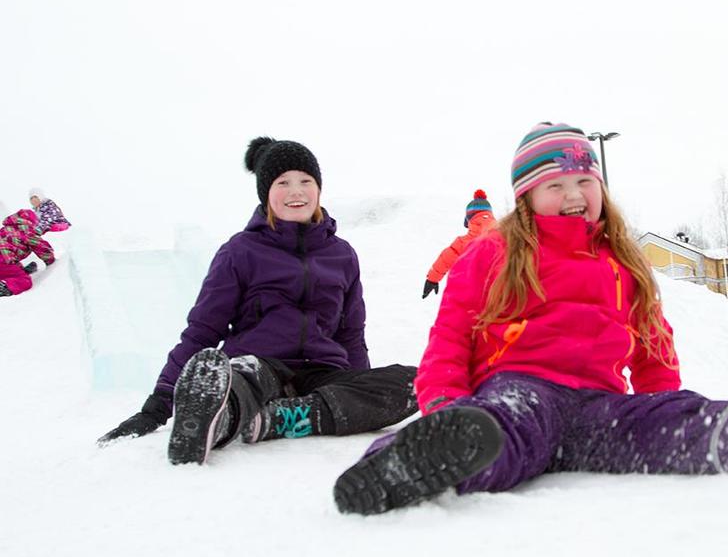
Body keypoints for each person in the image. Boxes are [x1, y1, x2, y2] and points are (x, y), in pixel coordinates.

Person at [333, 122, 728, 515]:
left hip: (599, 407)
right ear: (525, 197)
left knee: (690, 424)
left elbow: (652, 343)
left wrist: (659, 405)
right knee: (498, 434)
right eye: (555, 184)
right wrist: (446, 405)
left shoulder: (622, 259)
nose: (573, 193)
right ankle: (402, 461)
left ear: (599, 186)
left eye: (583, 180)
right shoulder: (495, 251)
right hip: (522, 392)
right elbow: (450, 336)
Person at [97, 137, 418, 465]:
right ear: (266, 194)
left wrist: (358, 391)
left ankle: (277, 420)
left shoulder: (342, 255)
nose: (296, 191)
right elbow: (202, 331)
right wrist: (158, 405)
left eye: (306, 181)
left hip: (322, 375)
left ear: (318, 190)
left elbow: (351, 334)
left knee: (414, 382)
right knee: (233, 379)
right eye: (283, 183)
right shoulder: (241, 251)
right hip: (259, 366)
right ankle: (218, 418)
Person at [422, 189, 497, 298]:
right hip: (502, 296)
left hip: (472, 296)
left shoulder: (463, 243)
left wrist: (432, 280)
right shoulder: (505, 236)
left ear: (469, 220)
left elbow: (445, 259)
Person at [0, 209, 54, 297]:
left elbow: (9, 253)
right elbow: (41, 247)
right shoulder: (27, 231)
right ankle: (4, 287)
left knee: (7, 272)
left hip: (4, 262)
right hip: (3, 261)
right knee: (24, 281)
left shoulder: (6, 228)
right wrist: (50, 260)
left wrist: (21, 269)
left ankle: (16, 274)